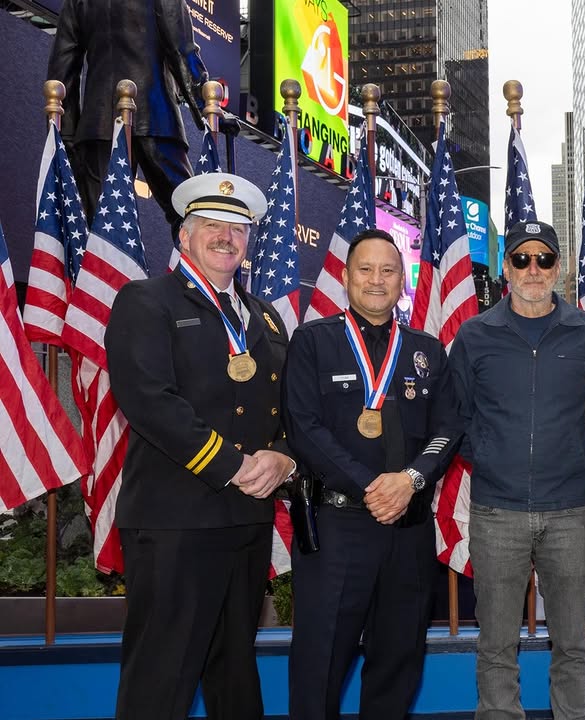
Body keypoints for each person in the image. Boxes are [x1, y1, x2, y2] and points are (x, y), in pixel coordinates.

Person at [104, 172, 293, 720]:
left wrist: (284, 455)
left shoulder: (266, 317)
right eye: (211, 225)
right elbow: (149, 401)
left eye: (237, 228)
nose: (225, 237)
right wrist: (235, 467)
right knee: (161, 679)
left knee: (235, 674)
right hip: (175, 523)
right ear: (184, 237)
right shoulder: (145, 301)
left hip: (247, 521)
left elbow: (286, 409)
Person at [283, 228, 461, 719]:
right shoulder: (313, 342)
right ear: (346, 276)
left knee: (398, 665)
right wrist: (369, 483)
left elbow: (449, 429)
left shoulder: (427, 349)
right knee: (320, 667)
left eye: (388, 270)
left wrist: (412, 480)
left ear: (403, 279)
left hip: (408, 530)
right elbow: (304, 428)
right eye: (366, 269)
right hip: (338, 529)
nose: (377, 280)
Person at [450, 220, 585, 720]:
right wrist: (493, 458)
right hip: (498, 513)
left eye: (543, 259)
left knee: (574, 646)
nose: (532, 269)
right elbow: (459, 417)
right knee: (496, 646)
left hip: (571, 512)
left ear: (558, 267)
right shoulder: (475, 335)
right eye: (521, 258)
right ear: (505, 268)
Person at [47, 0, 208, 233]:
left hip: (99, 124)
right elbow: (181, 49)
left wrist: (67, 139)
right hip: (155, 117)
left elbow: (61, 73)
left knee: (104, 234)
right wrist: (206, 107)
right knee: (192, 219)